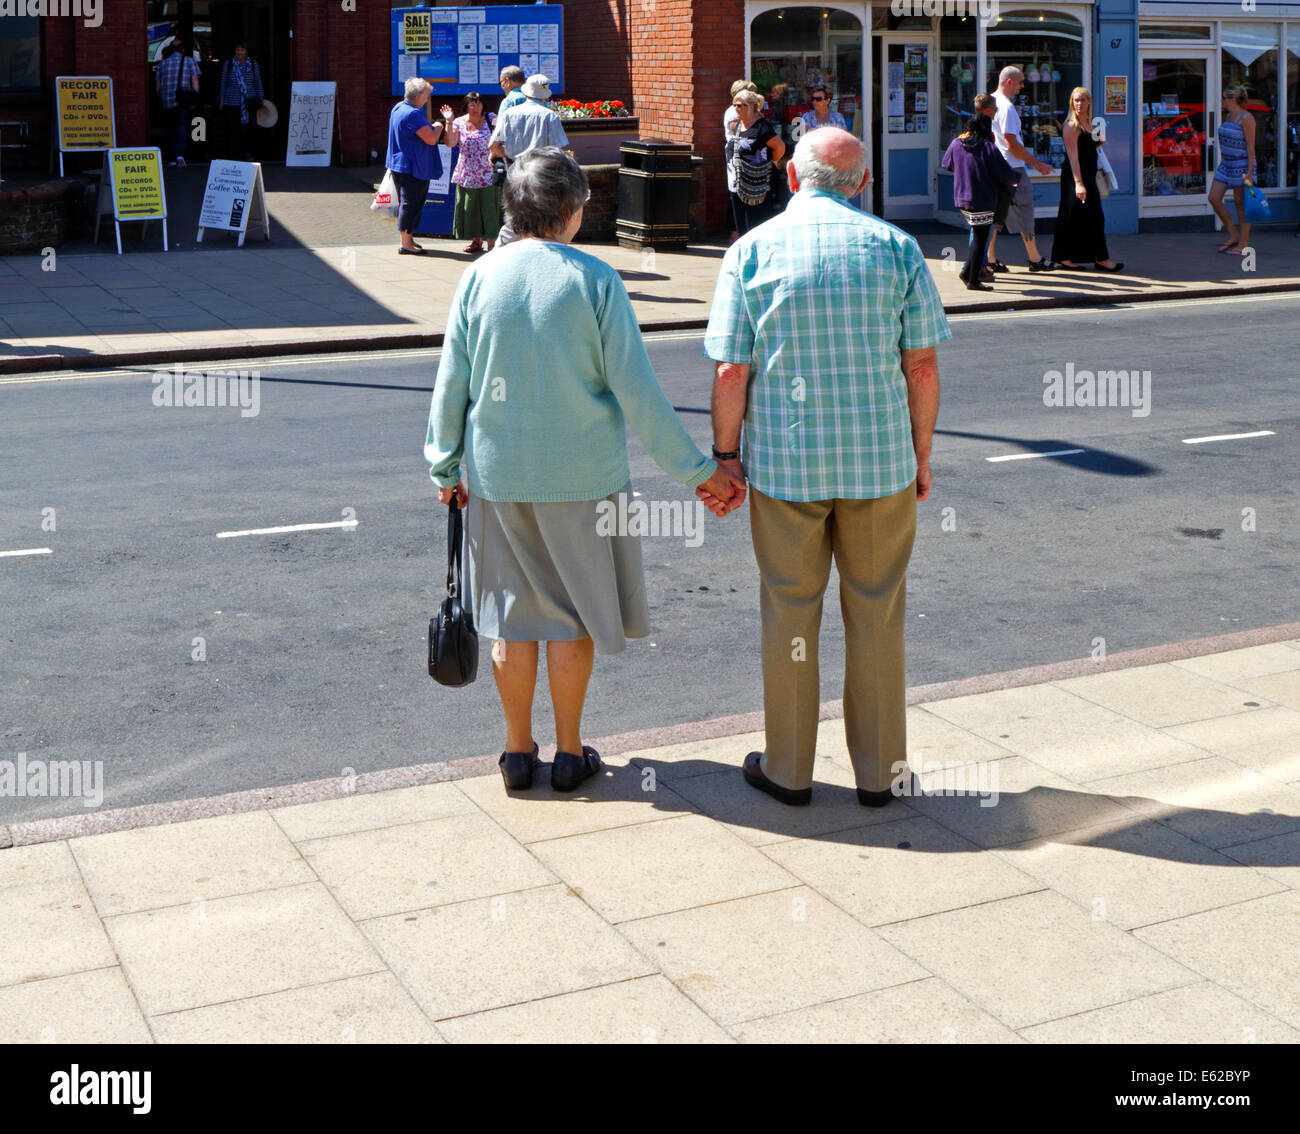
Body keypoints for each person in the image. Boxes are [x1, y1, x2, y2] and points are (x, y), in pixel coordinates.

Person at [425, 147, 739, 794]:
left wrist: (444, 466)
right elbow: (639, 394)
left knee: (512, 618)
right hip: (585, 480)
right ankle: (570, 754)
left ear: (512, 207)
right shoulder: (595, 281)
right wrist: (701, 473)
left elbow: (451, 383)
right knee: (572, 617)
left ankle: (516, 754)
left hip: (496, 474)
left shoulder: (478, 279)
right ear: (571, 211)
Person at [701, 127, 950, 808]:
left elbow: (731, 371)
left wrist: (725, 458)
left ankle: (788, 769)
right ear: (863, 184)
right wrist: (921, 452)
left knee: (789, 614)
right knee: (877, 615)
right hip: (880, 466)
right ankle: (879, 774)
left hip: (786, 468)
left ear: (790, 178)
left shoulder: (751, 251)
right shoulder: (897, 248)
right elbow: (921, 365)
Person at [987, 66, 1057, 273]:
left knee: (996, 216)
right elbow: (1012, 144)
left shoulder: (988, 102)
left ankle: (989, 259)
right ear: (1009, 82)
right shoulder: (1007, 108)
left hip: (994, 168)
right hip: (1013, 169)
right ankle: (1035, 259)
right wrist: (1037, 163)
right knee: (1025, 211)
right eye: (1020, 82)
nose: (1022, 86)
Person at [489, 74, 568, 249]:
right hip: (542, 172)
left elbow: (493, 145)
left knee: (513, 216)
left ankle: (499, 253)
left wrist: (507, 155)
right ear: (544, 96)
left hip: (515, 170)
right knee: (542, 215)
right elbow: (559, 150)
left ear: (525, 93)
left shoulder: (509, 114)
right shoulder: (549, 116)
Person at [941, 114, 1019, 290]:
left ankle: (967, 272)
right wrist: (1017, 177)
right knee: (980, 240)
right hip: (983, 199)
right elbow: (1005, 174)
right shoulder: (987, 147)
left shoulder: (956, 144)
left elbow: (947, 164)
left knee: (977, 236)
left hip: (962, 199)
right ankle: (973, 281)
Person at [1052, 87, 1124, 272]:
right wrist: (1079, 184)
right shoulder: (1071, 125)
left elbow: (1094, 144)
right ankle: (1068, 258)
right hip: (1075, 178)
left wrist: (1100, 136)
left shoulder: (1088, 122)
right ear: (1071, 102)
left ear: (1089, 102)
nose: (1079, 104)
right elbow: (1073, 157)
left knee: (1090, 218)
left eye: (1083, 100)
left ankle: (1095, 258)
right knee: (1073, 216)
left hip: (1089, 176)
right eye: (1076, 100)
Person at [386, 78, 453, 256]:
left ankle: (409, 239)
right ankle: (405, 244)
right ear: (418, 95)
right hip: (412, 166)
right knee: (411, 204)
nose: (427, 99)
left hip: (401, 164)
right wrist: (439, 125)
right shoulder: (412, 114)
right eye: (427, 95)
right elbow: (431, 138)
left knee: (407, 202)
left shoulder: (398, 107)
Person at [448, 92, 500, 254]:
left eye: (478, 104)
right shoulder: (459, 122)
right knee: (471, 207)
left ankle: (492, 244)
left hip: (488, 171)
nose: (476, 107)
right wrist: (449, 122)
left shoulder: (491, 119)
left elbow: (502, 137)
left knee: (489, 207)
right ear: (466, 106)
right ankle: (476, 241)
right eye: (472, 104)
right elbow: (450, 143)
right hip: (467, 171)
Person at [728, 88, 785, 236]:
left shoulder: (762, 127)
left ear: (751, 107)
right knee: (742, 228)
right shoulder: (738, 126)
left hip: (758, 185)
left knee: (755, 227)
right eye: (734, 105)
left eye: (740, 105)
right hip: (740, 184)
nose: (736, 108)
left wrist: (771, 162)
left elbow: (780, 147)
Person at [1209, 86, 1257, 255]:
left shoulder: (1247, 118)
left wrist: (1250, 172)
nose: (1221, 101)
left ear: (1232, 99)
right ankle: (1233, 234)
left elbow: (1251, 146)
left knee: (1240, 204)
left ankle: (1243, 243)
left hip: (1241, 165)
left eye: (1224, 98)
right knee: (1214, 198)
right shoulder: (1229, 116)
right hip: (1226, 164)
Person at [155, 37, 200, 168]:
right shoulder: (189, 61)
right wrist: (195, 98)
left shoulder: (162, 64)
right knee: (182, 127)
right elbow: (195, 80)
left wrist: (161, 99)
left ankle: (172, 157)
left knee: (171, 129)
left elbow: (158, 87)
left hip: (167, 101)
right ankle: (180, 155)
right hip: (183, 101)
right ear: (183, 50)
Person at [218, 42, 265, 161]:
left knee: (249, 130)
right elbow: (223, 82)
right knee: (233, 130)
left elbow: (258, 81)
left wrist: (261, 97)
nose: (239, 52)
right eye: (237, 50)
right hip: (231, 102)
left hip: (249, 102)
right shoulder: (229, 64)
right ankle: (234, 154)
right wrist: (222, 100)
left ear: (246, 52)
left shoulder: (253, 64)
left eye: (242, 50)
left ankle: (248, 152)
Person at [724, 79, 759, 242]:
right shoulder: (734, 111)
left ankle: (739, 232)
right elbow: (735, 127)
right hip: (737, 157)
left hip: (745, 155)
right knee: (737, 193)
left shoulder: (744, 110)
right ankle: (735, 233)